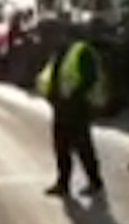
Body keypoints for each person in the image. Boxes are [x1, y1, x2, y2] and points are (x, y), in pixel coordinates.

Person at [35, 24, 107, 197]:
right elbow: (54, 75)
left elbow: (90, 78)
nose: (55, 38)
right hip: (61, 106)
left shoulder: (82, 51)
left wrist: (74, 96)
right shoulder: (60, 52)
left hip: (77, 107)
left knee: (83, 146)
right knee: (61, 147)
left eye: (58, 34)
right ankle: (63, 183)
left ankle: (95, 181)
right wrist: (51, 95)